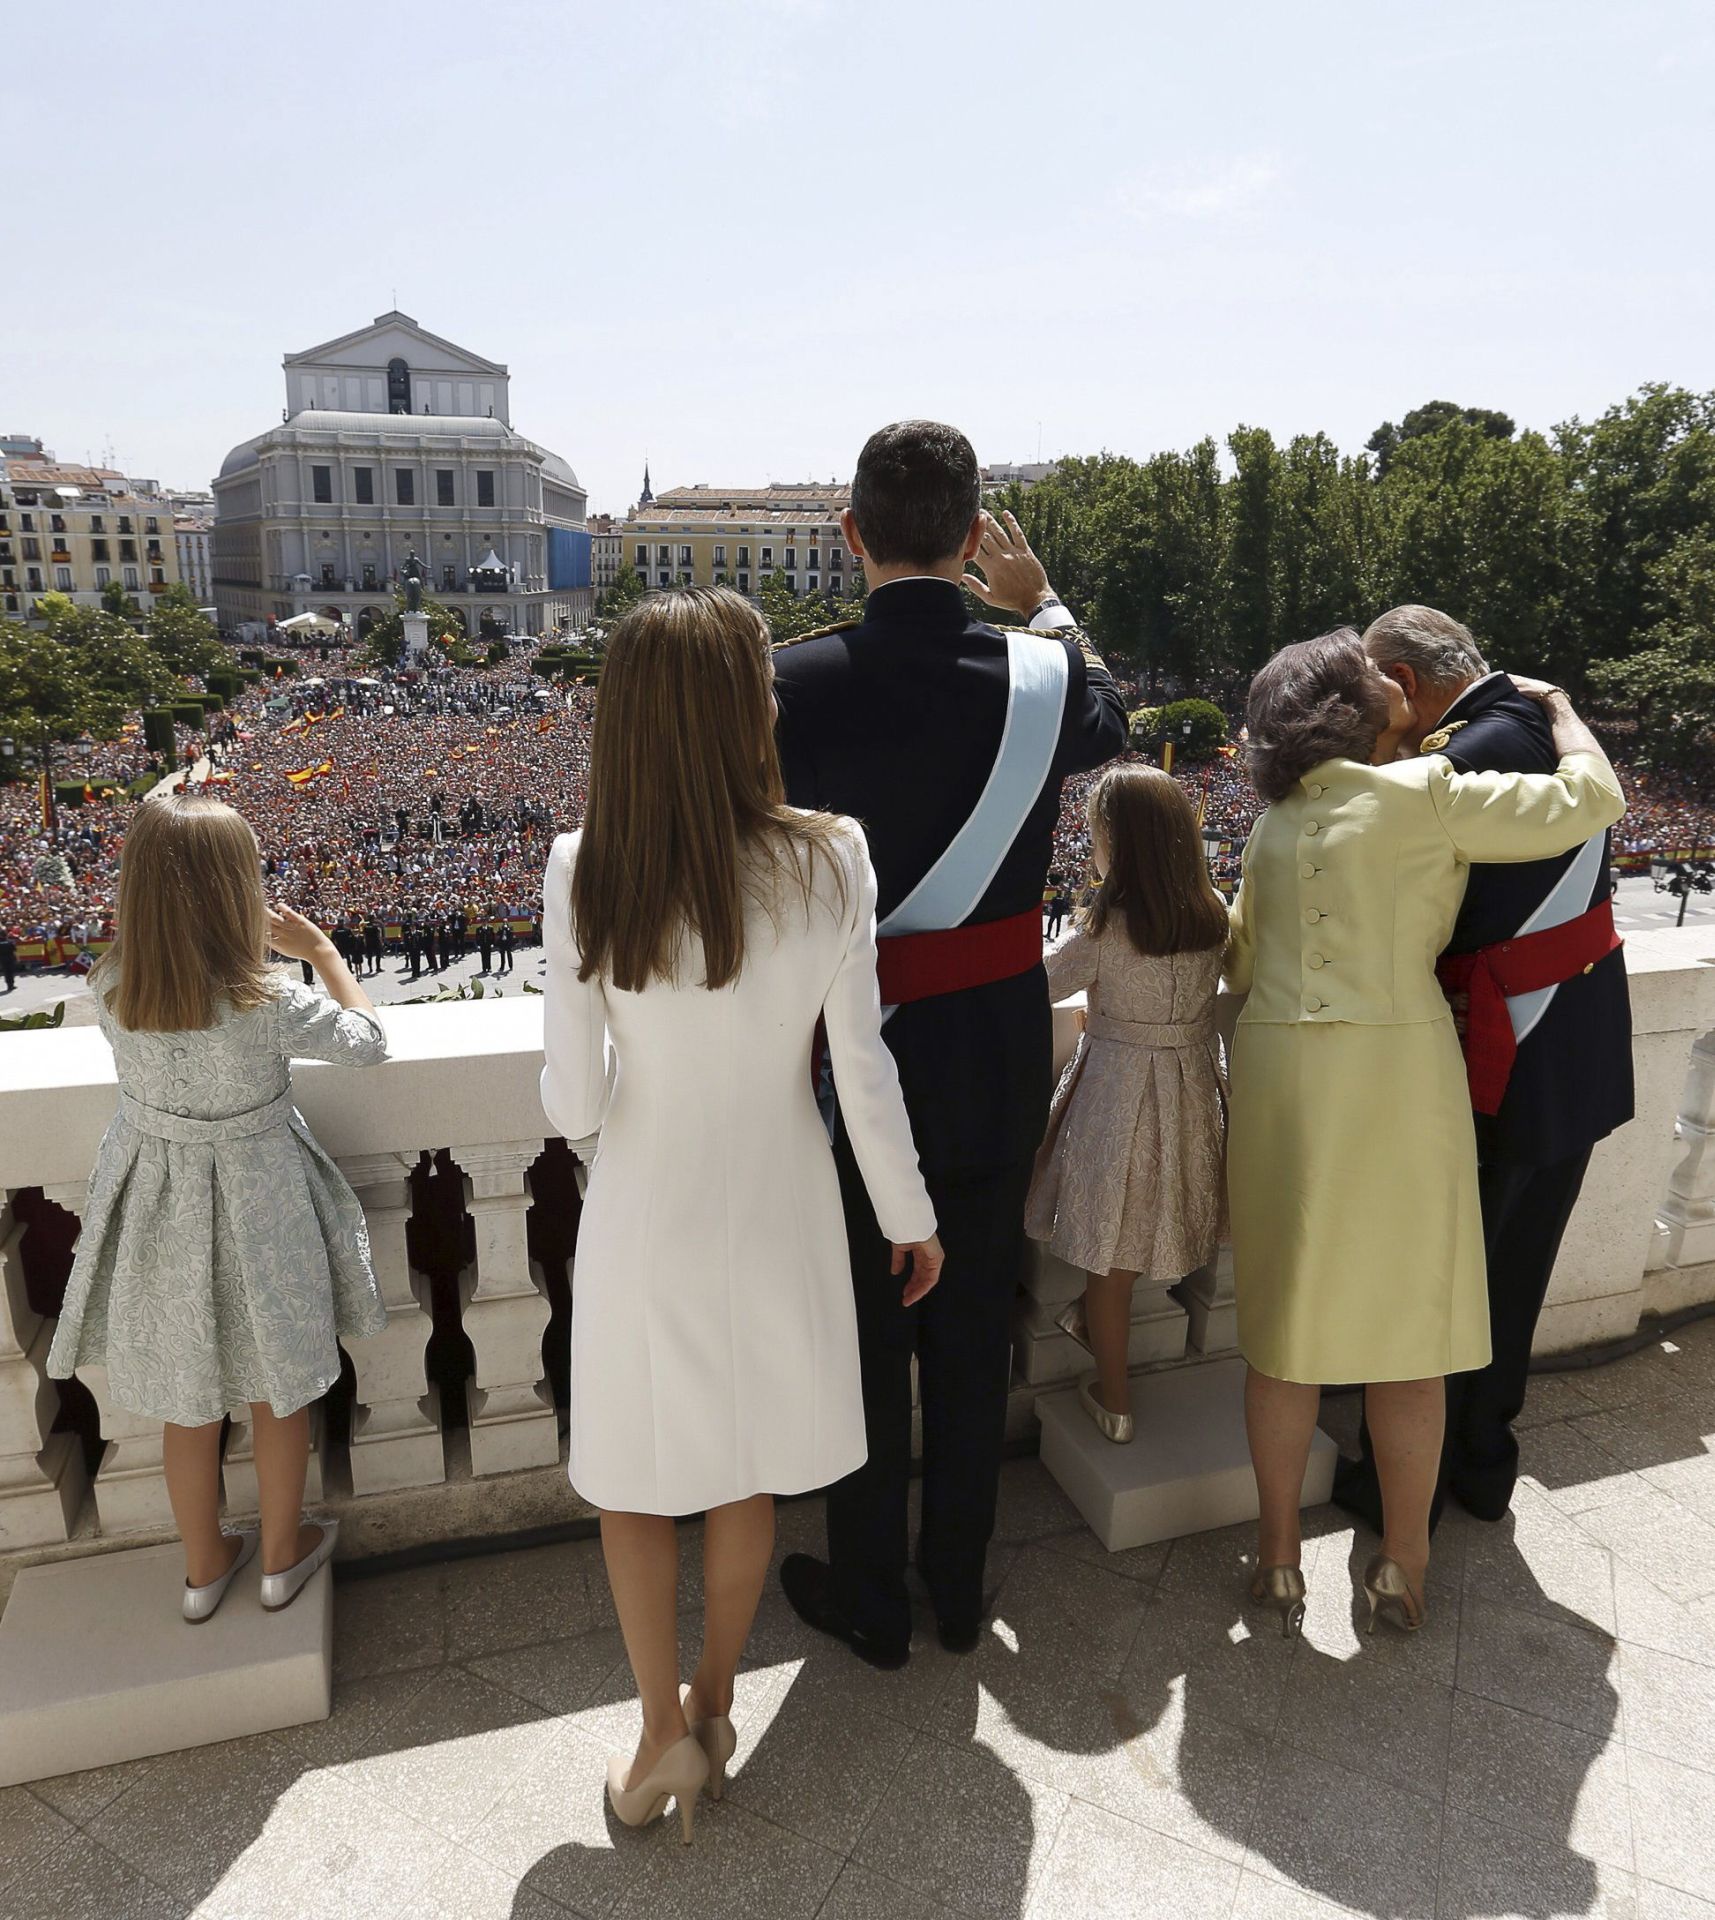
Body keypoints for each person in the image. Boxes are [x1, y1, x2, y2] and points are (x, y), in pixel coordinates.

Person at [540, 587, 942, 1843]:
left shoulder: (581, 864)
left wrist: (624, 1149)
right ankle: (715, 1702)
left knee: (637, 1480)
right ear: (738, 710)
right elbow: (859, 1070)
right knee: (746, 1469)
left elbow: (571, 1094)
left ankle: (658, 1730)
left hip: (647, 1204)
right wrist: (908, 1214)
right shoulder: (834, 856)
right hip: (783, 1195)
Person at [772, 421, 1129, 1666]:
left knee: (864, 1335)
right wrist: (1050, 608)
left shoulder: (789, 680)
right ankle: (960, 1588)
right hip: (990, 1048)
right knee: (974, 1327)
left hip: (844, 1054)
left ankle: (872, 1597)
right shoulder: (1041, 671)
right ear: (976, 539)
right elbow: (1111, 719)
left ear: (848, 534)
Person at [1224, 630, 1625, 1637]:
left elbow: (1235, 965)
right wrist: (1563, 713)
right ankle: (1402, 1562)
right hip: (1395, 1074)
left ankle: (1276, 1558)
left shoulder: (1270, 826)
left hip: (1277, 1078)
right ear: (1352, 705)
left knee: (1279, 1341)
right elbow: (1589, 802)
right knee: (1410, 1343)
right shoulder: (1425, 793)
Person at [46, 794, 389, 1621]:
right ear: (238, 887)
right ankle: (281, 1555)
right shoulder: (264, 998)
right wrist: (323, 951)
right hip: (260, 1198)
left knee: (187, 1400)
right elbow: (369, 1045)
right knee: (278, 1389)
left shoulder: (115, 983)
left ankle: (203, 1570)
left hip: (158, 1201)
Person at [1335, 608, 1633, 1531]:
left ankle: (1405, 1485)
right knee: (1516, 1273)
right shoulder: (1538, 722)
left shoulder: (1454, 760)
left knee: (1443, 1283)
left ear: (1399, 679)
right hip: (1573, 1041)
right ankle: (1483, 1461)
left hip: (1496, 1050)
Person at [1025, 766, 1229, 1442]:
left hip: (1119, 1095)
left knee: (1107, 1258)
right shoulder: (1213, 918)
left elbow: (1036, 988)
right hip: (1194, 1089)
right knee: (1151, 1232)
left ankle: (1114, 1404)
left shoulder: (1107, 929)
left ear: (1118, 839)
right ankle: (1100, 1353)